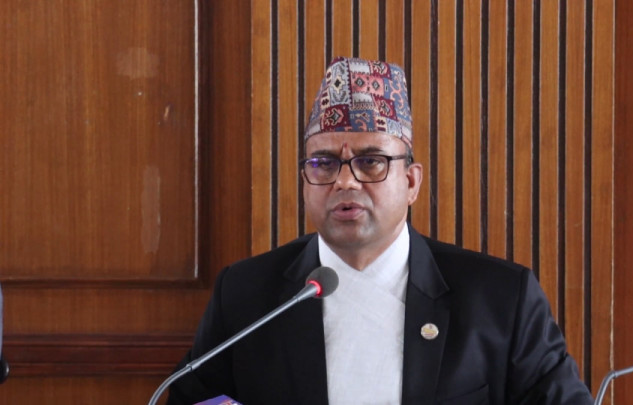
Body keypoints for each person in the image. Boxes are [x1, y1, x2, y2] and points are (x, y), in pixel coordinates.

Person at [167, 57, 594, 404]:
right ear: (304, 181)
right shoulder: (246, 295)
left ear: (411, 182)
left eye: (370, 162)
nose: (345, 181)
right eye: (323, 164)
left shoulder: (500, 299)